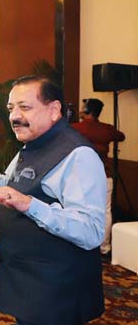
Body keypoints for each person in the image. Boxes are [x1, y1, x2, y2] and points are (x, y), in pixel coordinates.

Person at [0, 75, 105, 325]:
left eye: (25, 107)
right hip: (28, 278)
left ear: (54, 110)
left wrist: (30, 204)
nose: (14, 116)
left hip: (58, 288)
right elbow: (10, 188)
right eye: (11, 108)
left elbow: (91, 231)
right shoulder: (32, 145)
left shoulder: (78, 155)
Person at [72, 97, 126, 257]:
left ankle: (81, 244)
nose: (80, 110)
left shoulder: (75, 128)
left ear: (87, 110)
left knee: (78, 209)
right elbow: (121, 136)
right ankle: (104, 247)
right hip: (104, 176)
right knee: (106, 212)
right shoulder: (106, 129)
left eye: (83, 108)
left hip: (81, 176)